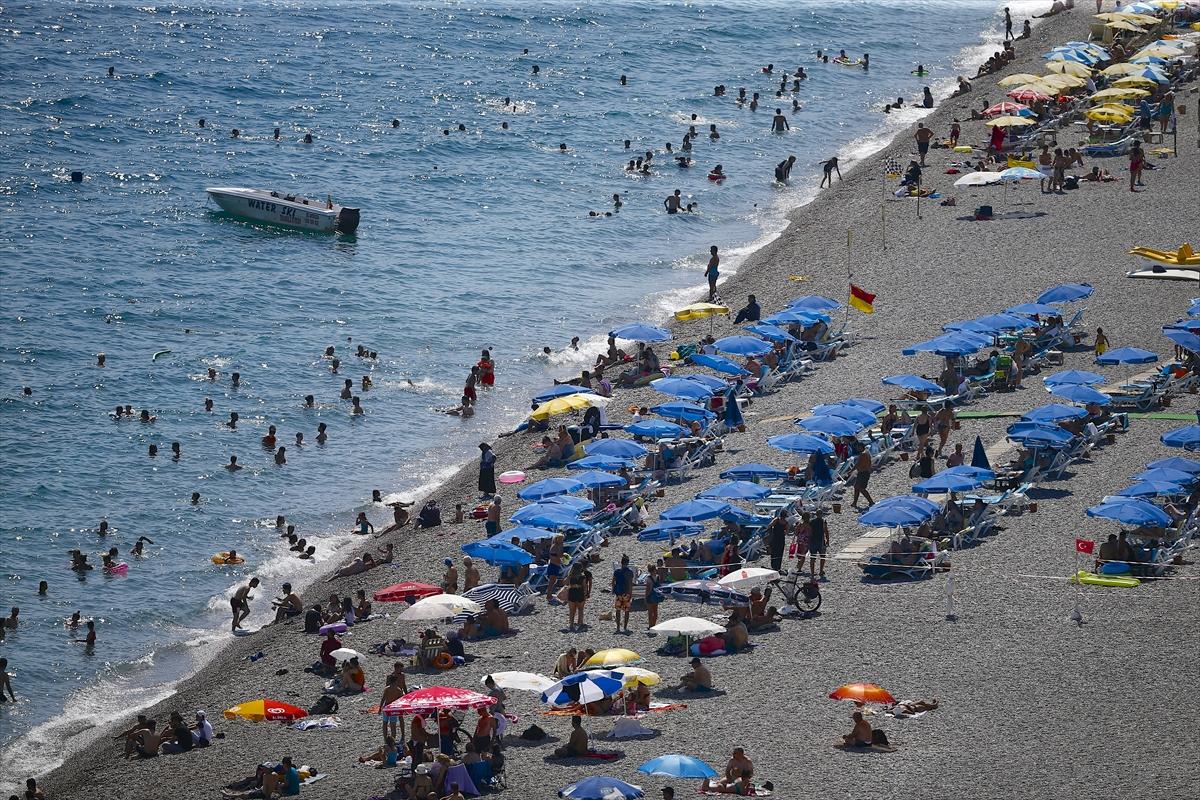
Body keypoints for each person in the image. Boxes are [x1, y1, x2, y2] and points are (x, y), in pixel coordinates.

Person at [611, 554, 635, 633]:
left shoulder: (617, 571)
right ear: (627, 563)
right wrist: (630, 593)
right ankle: (625, 627)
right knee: (626, 611)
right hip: (626, 593)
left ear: (621, 563)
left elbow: (613, 582)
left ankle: (618, 628)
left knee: (618, 610)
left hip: (618, 593)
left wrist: (613, 590)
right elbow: (630, 584)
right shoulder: (629, 572)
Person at [566, 561, 591, 631]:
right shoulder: (582, 577)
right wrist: (586, 594)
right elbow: (585, 586)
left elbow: (564, 582)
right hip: (580, 592)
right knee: (580, 609)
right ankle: (580, 624)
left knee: (571, 610)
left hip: (572, 592)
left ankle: (571, 624)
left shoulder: (570, 576)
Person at [809, 512, 829, 577]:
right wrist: (828, 540)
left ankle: (812, 573)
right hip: (821, 542)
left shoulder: (812, 521)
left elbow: (809, 531)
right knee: (822, 557)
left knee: (812, 558)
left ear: (816, 515)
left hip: (813, 541)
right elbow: (826, 531)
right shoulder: (823, 521)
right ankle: (821, 571)